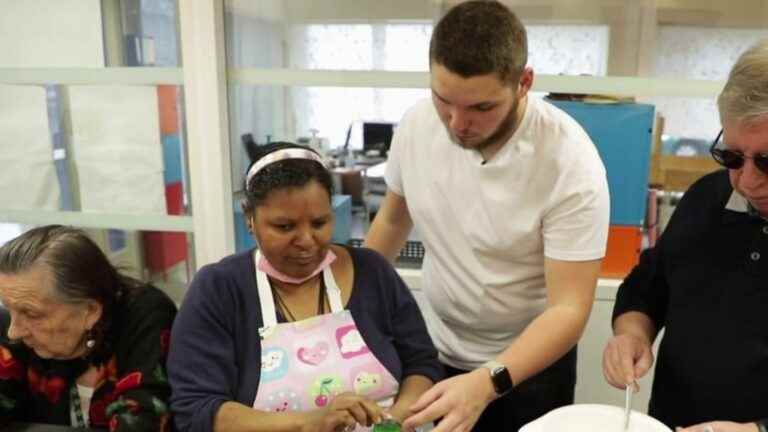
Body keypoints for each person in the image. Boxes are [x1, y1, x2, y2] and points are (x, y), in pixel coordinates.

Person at [364, 1, 610, 431]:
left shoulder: (570, 161)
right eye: (444, 100)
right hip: (436, 349)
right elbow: (392, 220)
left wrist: (489, 380)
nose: (458, 123)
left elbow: (569, 309)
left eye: (481, 108)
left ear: (524, 82)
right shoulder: (417, 125)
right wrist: (346, 304)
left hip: (528, 368)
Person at [167, 142, 442, 432]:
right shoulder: (219, 290)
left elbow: (421, 365)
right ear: (251, 219)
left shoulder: (372, 272)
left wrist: (394, 422)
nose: (307, 240)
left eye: (320, 222)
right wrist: (310, 422)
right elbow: (197, 411)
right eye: (285, 227)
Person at [602, 40, 768, 432]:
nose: (746, 181)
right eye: (731, 156)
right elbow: (647, 286)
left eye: (767, 161)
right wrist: (631, 334)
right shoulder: (705, 198)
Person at [0, 225, 177, 430]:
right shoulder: (19, 326)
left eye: (31, 314)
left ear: (91, 310)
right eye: (9, 308)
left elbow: (143, 421)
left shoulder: (144, 319)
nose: (14, 331)